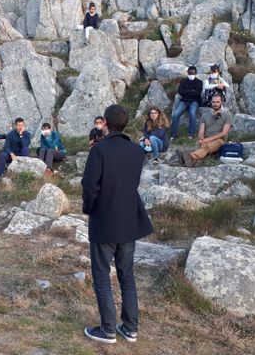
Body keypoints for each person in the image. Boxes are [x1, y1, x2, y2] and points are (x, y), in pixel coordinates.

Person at [81, 104, 154, 344]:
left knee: (102, 275)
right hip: (129, 221)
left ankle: (108, 330)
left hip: (105, 220)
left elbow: (90, 186)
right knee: (127, 276)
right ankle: (130, 328)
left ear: (107, 124)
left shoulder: (99, 151)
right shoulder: (136, 151)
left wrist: (88, 208)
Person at [177, 95, 232, 168]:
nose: (215, 104)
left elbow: (224, 133)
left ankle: (189, 156)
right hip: (205, 139)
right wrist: (201, 139)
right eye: (213, 102)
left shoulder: (227, 116)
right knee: (201, 146)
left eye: (217, 102)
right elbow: (201, 131)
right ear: (211, 102)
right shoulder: (205, 115)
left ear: (221, 102)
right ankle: (193, 162)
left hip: (219, 140)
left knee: (206, 146)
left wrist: (207, 140)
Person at [170, 65, 203, 140]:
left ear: (196, 73)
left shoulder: (199, 82)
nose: (191, 75)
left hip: (194, 101)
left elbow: (197, 93)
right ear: (187, 73)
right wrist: (191, 91)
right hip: (184, 101)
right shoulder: (183, 81)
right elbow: (180, 91)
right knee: (175, 115)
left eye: (193, 73)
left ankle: (191, 134)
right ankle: (173, 135)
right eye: (190, 73)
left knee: (192, 114)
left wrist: (187, 91)